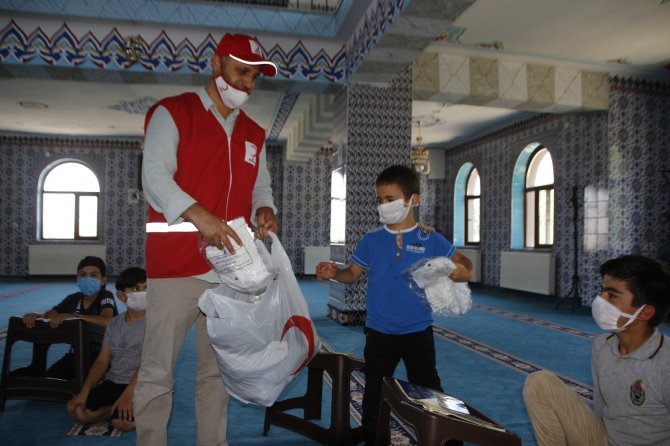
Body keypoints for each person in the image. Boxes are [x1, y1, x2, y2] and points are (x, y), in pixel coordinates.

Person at [134, 32, 279, 446]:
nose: (248, 83)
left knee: (217, 371)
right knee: (158, 370)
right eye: (241, 71)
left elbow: (260, 187)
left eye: (254, 76)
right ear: (217, 64)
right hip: (177, 265)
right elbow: (154, 179)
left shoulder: (254, 133)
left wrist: (264, 210)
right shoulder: (173, 112)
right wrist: (203, 217)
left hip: (231, 271)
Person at [315, 165, 473, 445]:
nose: (383, 206)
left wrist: (462, 271)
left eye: (390, 200)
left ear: (413, 199)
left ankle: (446, 440)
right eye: (379, 200)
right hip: (378, 333)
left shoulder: (430, 238)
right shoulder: (371, 240)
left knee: (430, 392)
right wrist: (334, 272)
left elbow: (465, 263)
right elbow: (352, 274)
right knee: (375, 393)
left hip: (418, 333)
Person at [523, 254, 670, 446]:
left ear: (644, 312)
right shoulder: (602, 346)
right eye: (601, 292)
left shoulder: (665, 361)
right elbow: (601, 409)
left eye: (612, 295)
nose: (600, 300)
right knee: (539, 382)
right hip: (605, 440)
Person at [66, 267, 147, 432]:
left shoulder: (154, 323)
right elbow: (102, 360)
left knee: (123, 423)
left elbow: (146, 364)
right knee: (79, 413)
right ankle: (111, 410)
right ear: (122, 296)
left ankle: (122, 409)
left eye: (146, 288)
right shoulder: (114, 323)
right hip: (114, 382)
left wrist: (127, 395)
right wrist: (84, 392)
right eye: (136, 289)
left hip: (141, 384)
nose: (143, 293)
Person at [18, 256, 118, 379]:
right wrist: (37, 316)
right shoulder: (73, 299)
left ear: (102, 280)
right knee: (51, 383)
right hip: (75, 355)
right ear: (77, 278)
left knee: (83, 387)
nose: (87, 279)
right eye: (83, 275)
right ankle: (36, 368)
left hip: (102, 356)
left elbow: (107, 321)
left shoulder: (105, 296)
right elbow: (53, 314)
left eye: (93, 275)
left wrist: (74, 316)